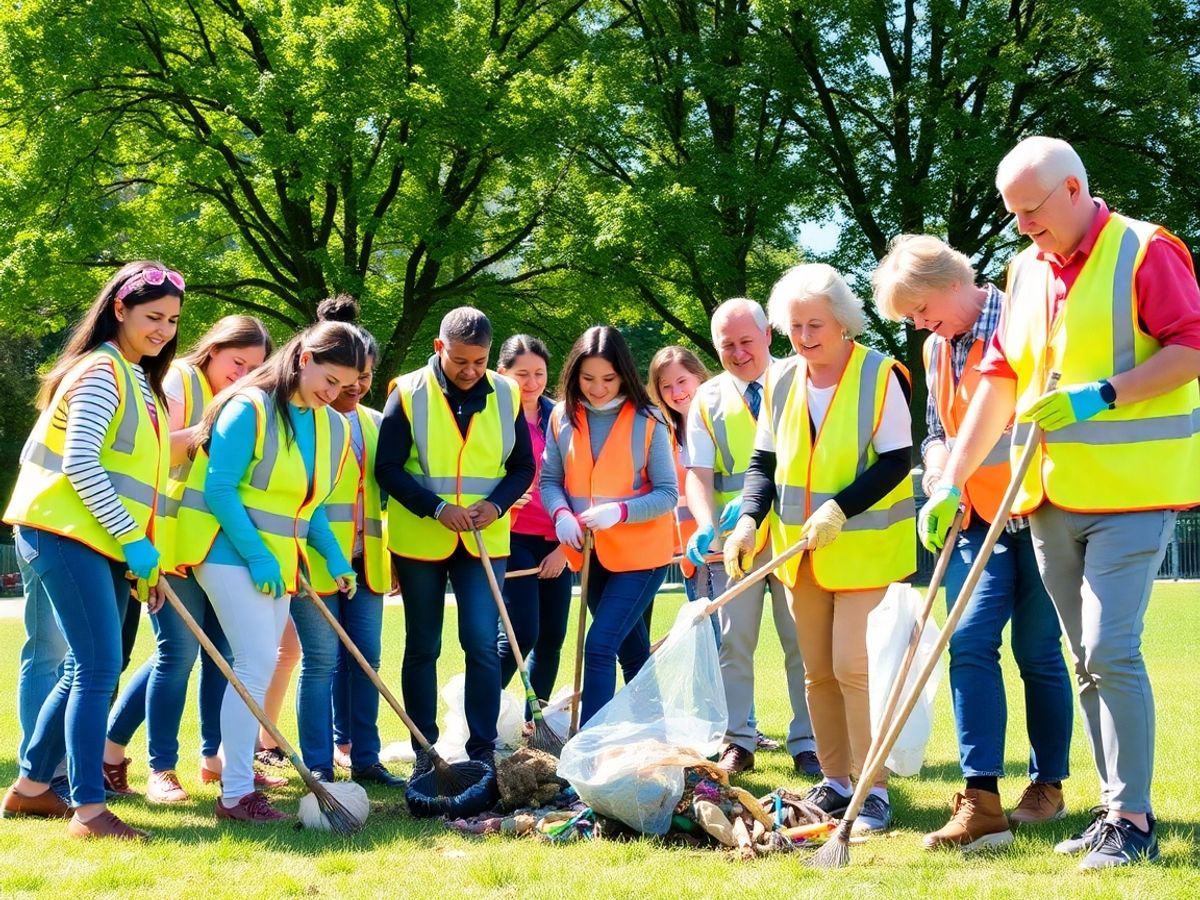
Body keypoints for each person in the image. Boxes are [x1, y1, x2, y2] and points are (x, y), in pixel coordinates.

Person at [920, 136, 1200, 869]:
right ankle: (1114, 810)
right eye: (1012, 213)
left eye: (1031, 210)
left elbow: (1192, 347)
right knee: (1084, 657)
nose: (1020, 226)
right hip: (1047, 496)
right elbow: (999, 380)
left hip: (1133, 494)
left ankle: (1133, 822)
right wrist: (952, 479)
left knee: (1111, 647)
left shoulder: (1146, 250)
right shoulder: (1026, 269)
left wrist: (1103, 394)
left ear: (1074, 189)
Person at [873, 235, 1074, 852]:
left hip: (1039, 510)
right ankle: (980, 797)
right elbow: (937, 429)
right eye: (910, 317)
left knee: (1038, 652)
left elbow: (1024, 417)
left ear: (952, 280)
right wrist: (939, 476)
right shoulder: (937, 348)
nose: (919, 323)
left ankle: (1046, 786)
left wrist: (961, 468)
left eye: (920, 308)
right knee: (969, 641)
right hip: (973, 521)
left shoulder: (1026, 316)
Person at [724, 264, 914, 833]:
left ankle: (874, 789)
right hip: (798, 553)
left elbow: (896, 460)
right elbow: (763, 464)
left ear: (844, 323)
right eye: (795, 326)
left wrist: (839, 508)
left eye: (816, 325)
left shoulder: (880, 374)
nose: (805, 337)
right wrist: (748, 522)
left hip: (864, 548)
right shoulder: (782, 380)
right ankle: (836, 782)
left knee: (853, 667)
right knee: (817, 672)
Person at [2, 261, 183, 838]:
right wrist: (134, 542)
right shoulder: (102, 372)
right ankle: (88, 810)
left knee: (90, 664)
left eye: (173, 321)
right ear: (119, 310)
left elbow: (138, 482)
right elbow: (81, 463)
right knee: (100, 665)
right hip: (63, 532)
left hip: (100, 540)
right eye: (153, 317)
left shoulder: (138, 379)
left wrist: (143, 552)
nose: (163, 330)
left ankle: (31, 789)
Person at [180, 320, 364, 822]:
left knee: (257, 667)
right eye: (329, 380)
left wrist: (333, 558)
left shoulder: (330, 425)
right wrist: (258, 555)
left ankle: (237, 788)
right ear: (304, 358)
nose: (334, 393)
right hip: (224, 553)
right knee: (256, 663)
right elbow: (220, 490)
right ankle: (236, 793)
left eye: (344, 386)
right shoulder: (249, 406)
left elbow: (314, 506)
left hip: (280, 563)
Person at [104, 316, 276, 803]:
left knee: (222, 657)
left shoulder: (245, 400)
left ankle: (214, 758)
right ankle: (154, 766)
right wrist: (210, 433)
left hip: (216, 544)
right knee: (176, 654)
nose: (242, 374)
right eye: (236, 362)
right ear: (213, 348)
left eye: (254, 368)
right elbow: (158, 451)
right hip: (171, 541)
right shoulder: (179, 378)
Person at [376, 308, 534, 767]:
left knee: (483, 643)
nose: (470, 371)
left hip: (485, 539)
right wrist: (437, 508)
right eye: (460, 360)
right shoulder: (406, 392)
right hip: (422, 538)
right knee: (423, 645)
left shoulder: (507, 392)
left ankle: (482, 750)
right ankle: (425, 749)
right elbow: (386, 468)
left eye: (479, 361)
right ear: (438, 348)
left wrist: (497, 504)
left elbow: (522, 466)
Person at [683, 298, 818, 776]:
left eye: (746, 341)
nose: (739, 353)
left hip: (791, 536)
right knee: (733, 643)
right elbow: (698, 473)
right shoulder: (706, 398)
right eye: (727, 345)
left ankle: (809, 741)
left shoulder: (803, 380)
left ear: (767, 336)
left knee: (802, 640)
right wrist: (705, 524)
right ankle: (737, 741)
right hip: (731, 544)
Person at [540, 326, 677, 726]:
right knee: (632, 653)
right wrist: (561, 515)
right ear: (573, 375)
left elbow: (667, 493)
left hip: (642, 556)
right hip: (589, 553)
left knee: (598, 646)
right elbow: (550, 480)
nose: (597, 388)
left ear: (624, 375)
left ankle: (590, 751)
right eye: (587, 379)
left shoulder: (649, 419)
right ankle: (655, 736)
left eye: (608, 378)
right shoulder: (562, 416)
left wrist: (619, 512)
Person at [300, 322, 404, 787]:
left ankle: (366, 758)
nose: (356, 384)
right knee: (320, 663)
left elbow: (389, 495)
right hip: (316, 560)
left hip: (368, 561)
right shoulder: (310, 422)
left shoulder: (376, 423)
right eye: (349, 375)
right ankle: (319, 766)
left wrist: (394, 557)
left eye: (365, 374)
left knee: (367, 661)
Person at [495, 334, 573, 722]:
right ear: (501, 373)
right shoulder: (490, 415)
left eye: (539, 373)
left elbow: (577, 480)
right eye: (521, 373)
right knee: (519, 632)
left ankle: (535, 723)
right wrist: (501, 496)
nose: (531, 382)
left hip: (559, 537)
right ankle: (481, 713)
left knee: (552, 638)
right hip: (510, 536)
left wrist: (566, 547)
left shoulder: (561, 416)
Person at [647, 345, 710, 606]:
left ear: (700, 377)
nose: (677, 392)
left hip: (729, 548)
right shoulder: (664, 436)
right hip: (692, 557)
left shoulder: (721, 423)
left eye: (682, 381)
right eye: (666, 386)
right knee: (709, 640)